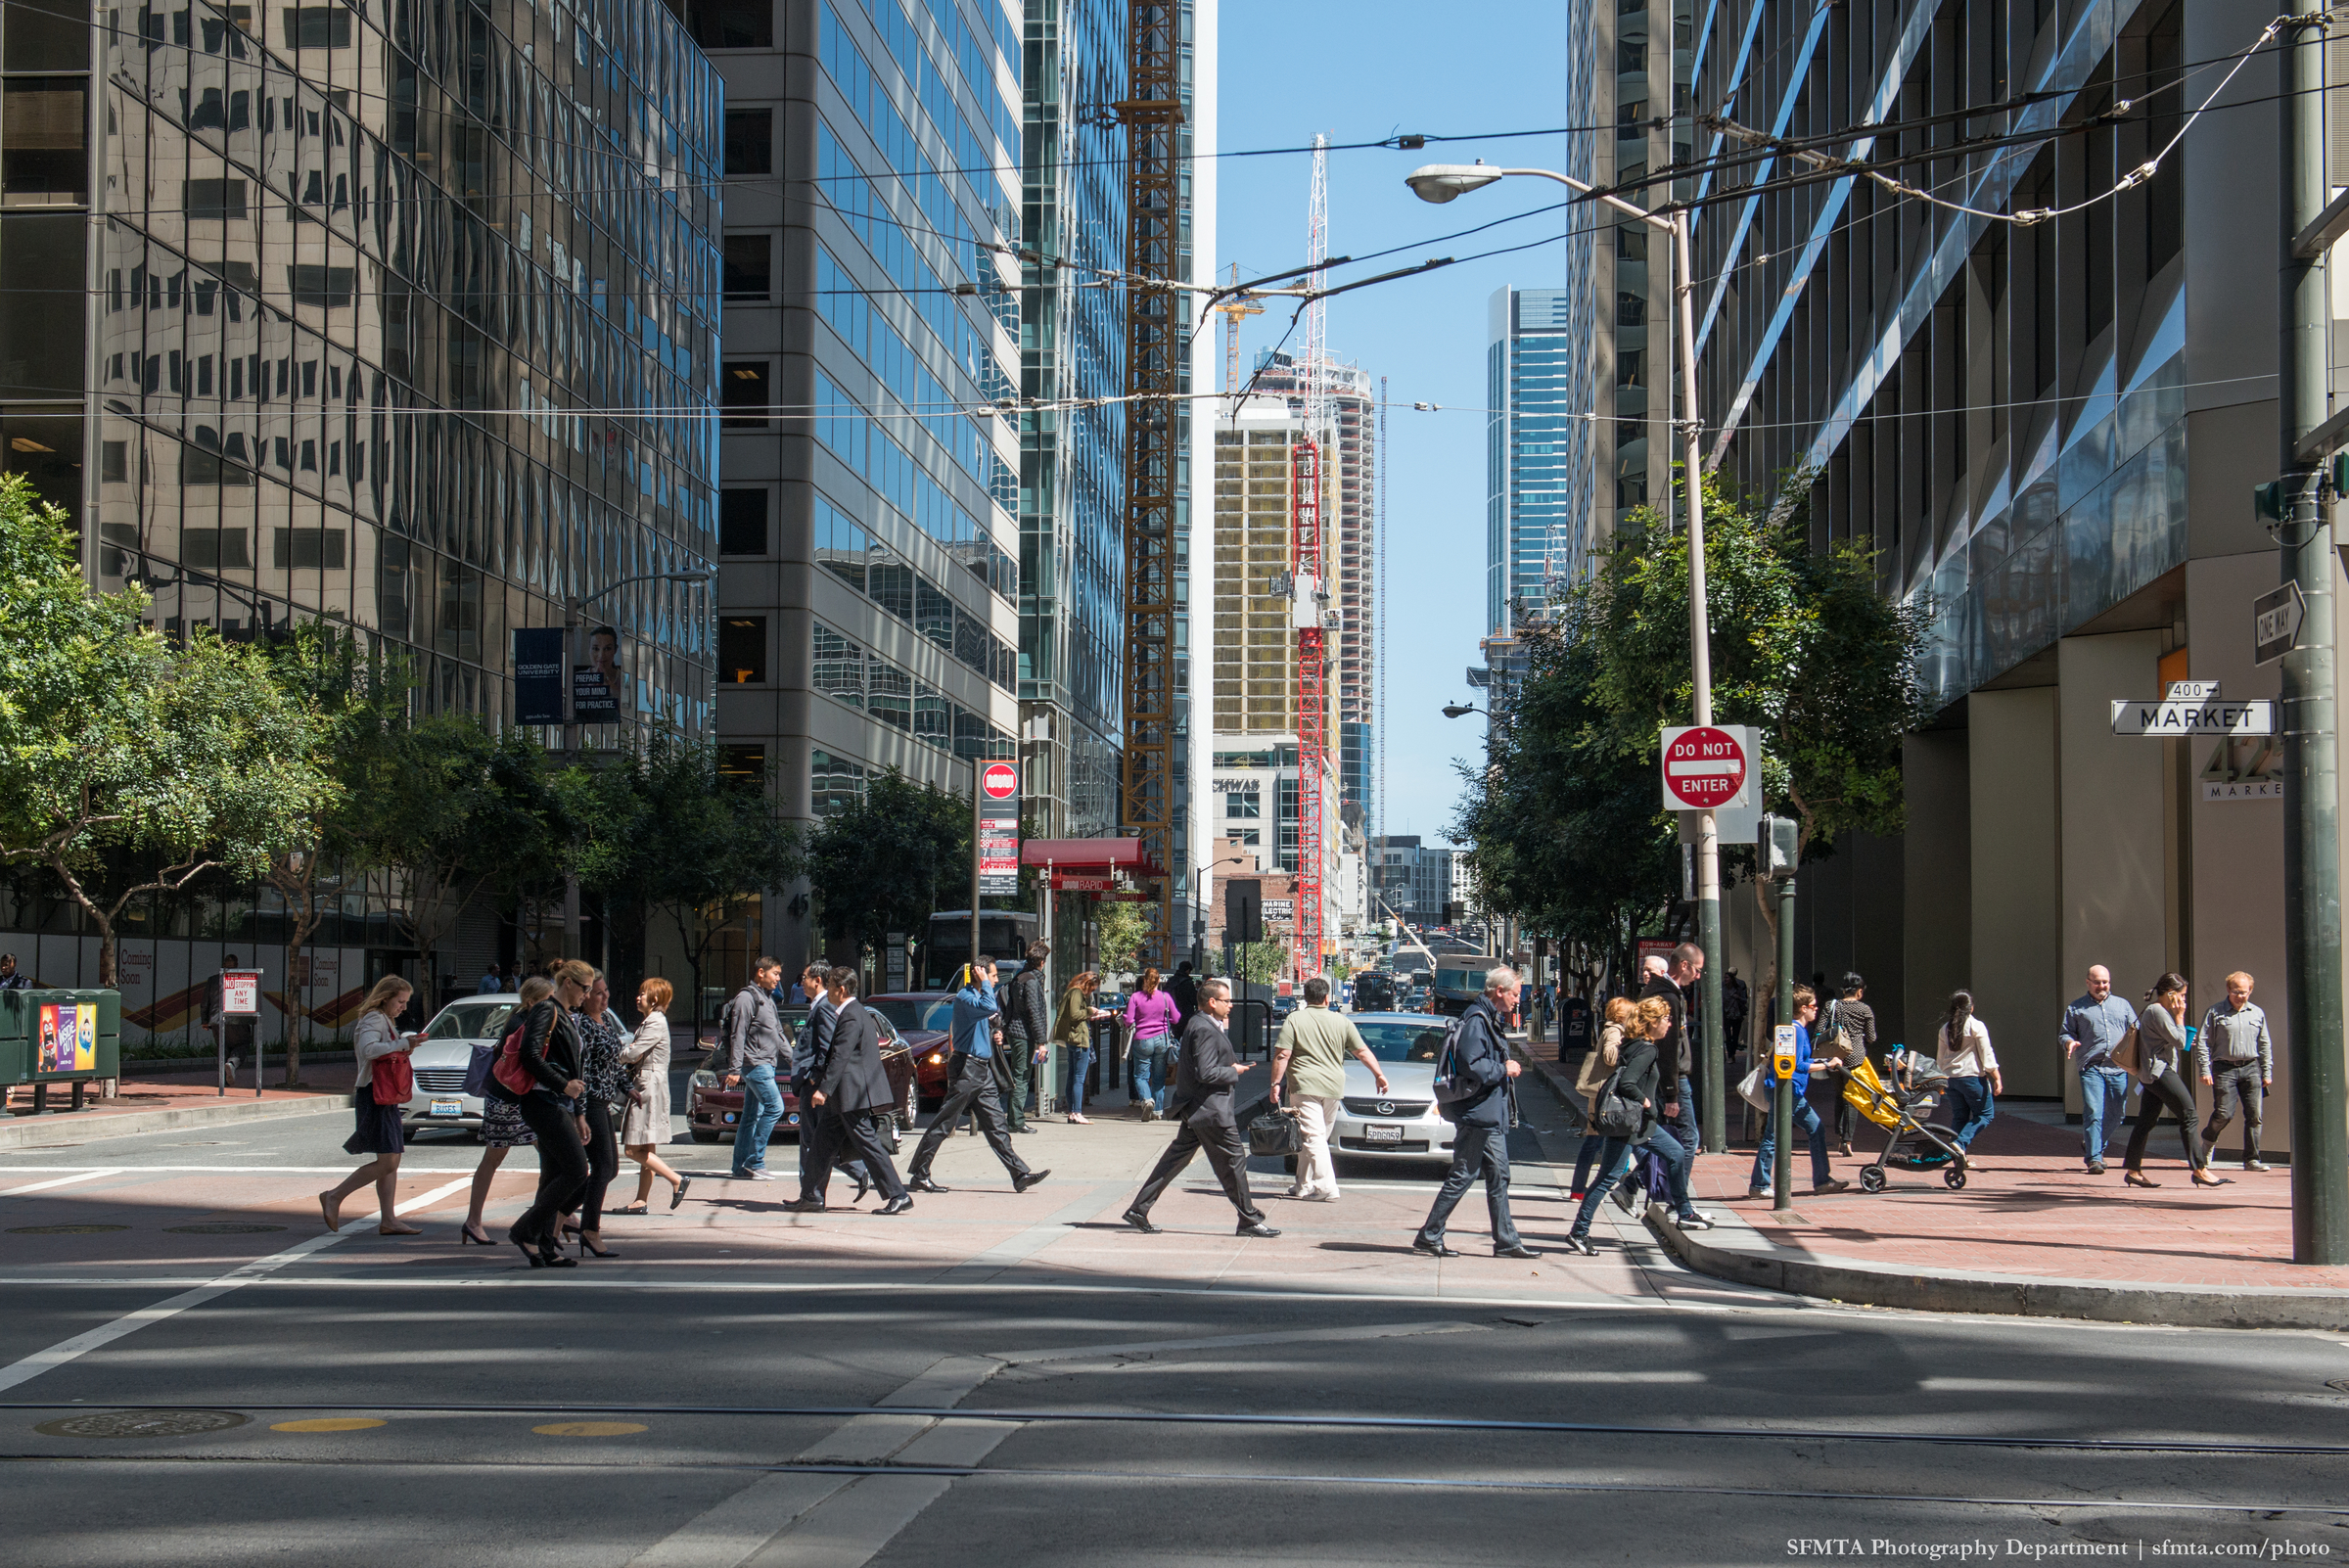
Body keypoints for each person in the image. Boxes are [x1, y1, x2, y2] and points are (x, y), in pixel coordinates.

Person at [1123, 977, 1277, 1236]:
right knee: (1235, 1161)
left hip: (1198, 1109)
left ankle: (1139, 1209)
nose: (1231, 1006)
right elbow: (1205, 1072)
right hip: (1210, 1110)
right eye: (1227, 1001)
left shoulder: (1203, 1023)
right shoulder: (1204, 1027)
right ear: (1212, 1001)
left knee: (1173, 1161)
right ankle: (1249, 1220)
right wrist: (1233, 1070)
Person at [1410, 966, 1538, 1259]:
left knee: (1498, 1175)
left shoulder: (1485, 1018)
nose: (1519, 1000)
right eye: (1516, 994)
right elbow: (1471, 1063)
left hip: (1487, 1113)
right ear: (1499, 992)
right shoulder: (1477, 1020)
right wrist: (1503, 1069)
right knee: (1466, 1173)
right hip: (1478, 1113)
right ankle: (1430, 1235)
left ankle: (1506, 1242)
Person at [904, 959, 1049, 1195]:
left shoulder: (980, 998)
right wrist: (984, 982)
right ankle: (920, 1174)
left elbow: (991, 1020)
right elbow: (989, 1008)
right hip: (966, 1068)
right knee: (943, 1123)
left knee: (996, 1125)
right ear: (980, 974)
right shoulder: (966, 997)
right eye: (992, 976)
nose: (994, 981)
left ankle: (1019, 1174)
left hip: (982, 1070)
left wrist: (996, 1033)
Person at [487, 960, 595, 1268]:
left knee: (552, 1175)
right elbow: (530, 1055)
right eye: (584, 988)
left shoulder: (567, 1015)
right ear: (569, 983)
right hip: (542, 1101)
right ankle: (525, 1231)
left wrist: (579, 1112)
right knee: (576, 1171)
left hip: (558, 1103)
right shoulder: (547, 1010)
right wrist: (563, 1086)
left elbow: (576, 1069)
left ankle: (545, 1245)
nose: (586, 995)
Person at [1562, 997, 1681, 1254]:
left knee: (1676, 1154)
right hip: (1629, 1122)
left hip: (1637, 1123)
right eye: (1667, 1019)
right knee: (1607, 1178)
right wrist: (1646, 1101)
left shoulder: (1635, 1044)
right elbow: (1628, 1083)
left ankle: (1685, 1212)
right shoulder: (1647, 1049)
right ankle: (1579, 1232)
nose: (1670, 1025)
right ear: (1653, 1022)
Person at [792, 968, 913, 1214]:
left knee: (868, 1145)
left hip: (852, 1095)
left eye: (831, 987)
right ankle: (812, 1196)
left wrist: (823, 1090)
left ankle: (898, 1194)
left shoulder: (851, 1015)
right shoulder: (852, 1013)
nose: (828, 992)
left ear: (842, 990)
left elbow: (841, 1057)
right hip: (845, 1096)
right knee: (820, 1145)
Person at [1267, 975, 1390, 1202]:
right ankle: (1302, 1184)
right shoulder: (1342, 1022)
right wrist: (1379, 1075)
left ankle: (1326, 1187)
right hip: (1333, 1086)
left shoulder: (1295, 1019)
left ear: (1306, 998)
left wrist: (1275, 1083)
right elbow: (1361, 1051)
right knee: (1316, 1137)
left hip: (1304, 1085)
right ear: (1326, 998)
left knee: (1313, 1137)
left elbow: (1283, 1054)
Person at [317, 976, 422, 1237]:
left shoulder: (384, 1019)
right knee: (388, 1161)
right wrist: (402, 1044)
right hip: (374, 1093)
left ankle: (389, 1220)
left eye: (405, 1002)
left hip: (383, 1095)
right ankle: (334, 1196)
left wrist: (405, 1045)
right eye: (400, 1001)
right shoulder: (375, 1018)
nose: (403, 1007)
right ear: (385, 997)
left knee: (391, 1158)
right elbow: (369, 1050)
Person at [460, 978, 551, 1246]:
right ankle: (474, 1221)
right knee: (495, 1158)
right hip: (508, 1099)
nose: (552, 1004)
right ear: (533, 1001)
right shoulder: (521, 1023)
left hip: (515, 1098)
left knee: (550, 1153)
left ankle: (553, 1214)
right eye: (548, 999)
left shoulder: (523, 1019)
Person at [2123, 972, 2227, 1190]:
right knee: (2189, 1115)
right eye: (2182, 996)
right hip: (2159, 1072)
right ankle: (2199, 1169)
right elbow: (2180, 1042)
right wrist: (2180, 1017)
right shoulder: (2158, 1011)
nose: (2184, 1001)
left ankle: (2133, 1171)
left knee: (2146, 1121)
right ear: (2171, 994)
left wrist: (2180, 1029)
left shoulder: (2158, 1011)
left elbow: (2177, 1040)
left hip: (2151, 1073)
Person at [1748, 986, 1851, 1199]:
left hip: (1785, 1089)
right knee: (1777, 1135)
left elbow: (1800, 1061)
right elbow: (1795, 1065)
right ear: (1803, 1008)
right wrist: (1826, 1065)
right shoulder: (1795, 1031)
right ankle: (1760, 1184)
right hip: (1786, 1090)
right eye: (1814, 1006)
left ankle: (1821, 1180)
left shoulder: (1796, 1030)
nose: (1817, 1010)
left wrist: (1824, 1062)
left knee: (1811, 1130)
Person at [562, 971, 630, 1257]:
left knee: (610, 1169)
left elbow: (613, 1064)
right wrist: (579, 1112)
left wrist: (628, 1088)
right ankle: (588, 1229)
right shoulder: (584, 1026)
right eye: (599, 993)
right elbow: (582, 1069)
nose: (605, 998)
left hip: (603, 1101)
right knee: (602, 1168)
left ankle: (559, 1213)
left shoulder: (605, 1024)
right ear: (585, 995)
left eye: (606, 993)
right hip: (589, 1102)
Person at [791, 960, 872, 1200]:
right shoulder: (820, 1006)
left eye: (804, 977)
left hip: (816, 1085)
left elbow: (828, 1048)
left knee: (813, 1142)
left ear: (817, 980)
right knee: (818, 1141)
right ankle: (812, 1193)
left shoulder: (825, 1007)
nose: (801, 982)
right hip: (815, 1084)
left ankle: (811, 1194)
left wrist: (815, 1079)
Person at [616, 978, 687, 1213]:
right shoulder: (651, 1021)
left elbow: (634, 1053)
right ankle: (641, 1201)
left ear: (654, 999)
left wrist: (619, 1054)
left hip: (647, 1087)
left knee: (631, 1149)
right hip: (650, 1084)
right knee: (647, 1149)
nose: (638, 997)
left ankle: (676, 1180)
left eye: (643, 994)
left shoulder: (655, 1022)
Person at [2060, 965, 2139, 1176]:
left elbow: (2135, 1032)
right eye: (2097, 982)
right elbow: (2065, 1033)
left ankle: (2094, 1144)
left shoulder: (2122, 1005)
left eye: (2105, 982)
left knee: (2117, 1114)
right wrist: (2069, 1043)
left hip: (2118, 1068)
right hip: (2091, 1067)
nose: (2101, 986)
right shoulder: (2076, 1008)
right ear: (2088, 982)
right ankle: (2094, 1158)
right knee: (2094, 1111)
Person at [1639, 943, 1703, 1191]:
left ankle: (1634, 1184)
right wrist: (1671, 1093)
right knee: (1688, 1138)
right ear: (1684, 965)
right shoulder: (1667, 996)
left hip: (1660, 1075)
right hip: (1672, 1077)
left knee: (1663, 1137)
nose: (1697, 976)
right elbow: (1667, 1049)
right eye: (1697, 970)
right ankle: (1678, 1198)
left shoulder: (1662, 992)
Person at [2196, 971, 2274, 1173]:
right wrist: (2205, 1070)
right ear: (2228, 990)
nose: (2241, 996)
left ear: (2251, 991)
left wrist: (2266, 1071)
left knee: (2255, 1115)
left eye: (2245, 992)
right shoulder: (2215, 1012)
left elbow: (2264, 1043)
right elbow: (2203, 1042)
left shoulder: (2257, 1013)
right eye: (2237, 992)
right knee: (2224, 1114)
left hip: (2251, 1068)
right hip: (2224, 1069)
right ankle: (2208, 1139)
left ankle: (2251, 1160)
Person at [719, 957, 788, 1181]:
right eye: (775, 973)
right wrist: (734, 1068)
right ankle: (754, 1161)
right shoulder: (746, 998)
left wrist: (796, 1062)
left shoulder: (767, 1000)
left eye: (779, 974)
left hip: (766, 1064)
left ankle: (740, 1167)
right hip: (755, 1064)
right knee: (775, 1107)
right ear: (761, 972)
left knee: (750, 1116)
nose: (778, 978)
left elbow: (778, 1036)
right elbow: (737, 1035)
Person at [1570, 997, 1638, 1199]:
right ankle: (1581, 1189)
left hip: (1605, 1096)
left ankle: (1582, 1188)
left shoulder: (1611, 1029)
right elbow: (1610, 1056)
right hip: (1606, 1097)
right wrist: (1627, 1050)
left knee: (1604, 1142)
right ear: (1622, 1015)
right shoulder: (1615, 1031)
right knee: (1595, 1142)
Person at [1819, 973, 1878, 1157]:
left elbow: (1820, 1029)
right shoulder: (1865, 1009)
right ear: (1860, 991)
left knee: (1839, 1094)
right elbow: (1872, 1037)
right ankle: (1847, 1140)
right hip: (1856, 1057)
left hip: (1834, 1056)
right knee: (1851, 1098)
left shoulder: (1831, 1005)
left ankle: (1839, 1133)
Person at [1936, 991, 2002, 1153]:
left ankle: (1955, 1155)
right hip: (1972, 1078)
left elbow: (1940, 1058)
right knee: (1985, 1115)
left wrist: (1940, 1079)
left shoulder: (1944, 1028)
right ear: (1971, 1008)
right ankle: (1960, 1143)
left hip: (1951, 1078)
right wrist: (1996, 1077)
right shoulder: (1976, 1026)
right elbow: (1986, 1054)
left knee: (1959, 1117)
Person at [998, 943, 1054, 1131]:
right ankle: (1016, 1121)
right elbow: (1034, 1012)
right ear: (1040, 962)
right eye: (1044, 960)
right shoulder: (1030, 981)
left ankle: (1015, 1119)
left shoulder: (1020, 978)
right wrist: (1041, 1042)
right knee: (1021, 1076)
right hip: (1023, 1034)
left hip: (1017, 1032)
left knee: (1019, 1075)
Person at [1124, 968, 1183, 1119]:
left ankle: (1146, 1099)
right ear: (1158, 981)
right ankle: (1157, 1110)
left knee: (1141, 1076)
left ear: (1144, 980)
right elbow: (1176, 1018)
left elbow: (1129, 1020)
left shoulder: (1136, 997)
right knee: (1159, 1076)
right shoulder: (1165, 997)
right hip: (1161, 1040)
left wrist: (1126, 1018)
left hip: (1142, 1040)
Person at [1054, 971, 1112, 1124]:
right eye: (1092, 988)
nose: (1091, 992)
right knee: (1079, 1078)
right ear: (1087, 984)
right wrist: (1089, 1011)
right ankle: (1077, 1111)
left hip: (1073, 1038)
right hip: (1079, 1039)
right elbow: (1075, 1014)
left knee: (1072, 1076)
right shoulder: (1077, 993)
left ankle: (1072, 1112)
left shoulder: (1071, 992)